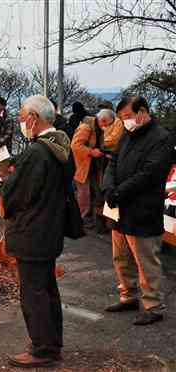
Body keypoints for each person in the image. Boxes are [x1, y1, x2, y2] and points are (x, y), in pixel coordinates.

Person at [0, 95, 70, 368]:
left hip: (31, 231)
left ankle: (42, 349)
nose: (19, 120)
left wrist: (5, 197)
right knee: (47, 288)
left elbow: (16, 194)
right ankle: (51, 343)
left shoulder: (37, 152)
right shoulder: (61, 146)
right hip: (50, 228)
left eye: (21, 115)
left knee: (33, 292)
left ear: (34, 118)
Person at [103, 96, 172, 326]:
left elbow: (149, 174)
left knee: (145, 260)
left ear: (142, 112)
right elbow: (112, 162)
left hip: (143, 208)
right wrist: (109, 188)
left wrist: (119, 191)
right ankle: (128, 295)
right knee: (120, 256)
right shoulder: (128, 135)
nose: (125, 122)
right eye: (122, 118)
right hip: (119, 208)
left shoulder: (161, 138)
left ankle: (153, 305)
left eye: (128, 117)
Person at [71, 114, 104, 228]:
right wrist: (91, 152)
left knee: (91, 193)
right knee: (84, 194)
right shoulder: (86, 128)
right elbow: (75, 146)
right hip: (83, 166)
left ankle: (87, 218)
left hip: (91, 166)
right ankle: (81, 218)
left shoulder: (95, 127)